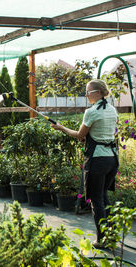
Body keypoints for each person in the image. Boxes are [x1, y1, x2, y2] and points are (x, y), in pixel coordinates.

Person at [51, 79, 118, 248]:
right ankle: (111, 236)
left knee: (96, 200)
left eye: (88, 92)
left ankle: (102, 240)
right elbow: (99, 133)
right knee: (103, 196)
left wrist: (62, 128)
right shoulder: (112, 110)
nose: (86, 95)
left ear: (97, 93)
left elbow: (79, 135)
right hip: (112, 159)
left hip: (97, 160)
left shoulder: (92, 112)